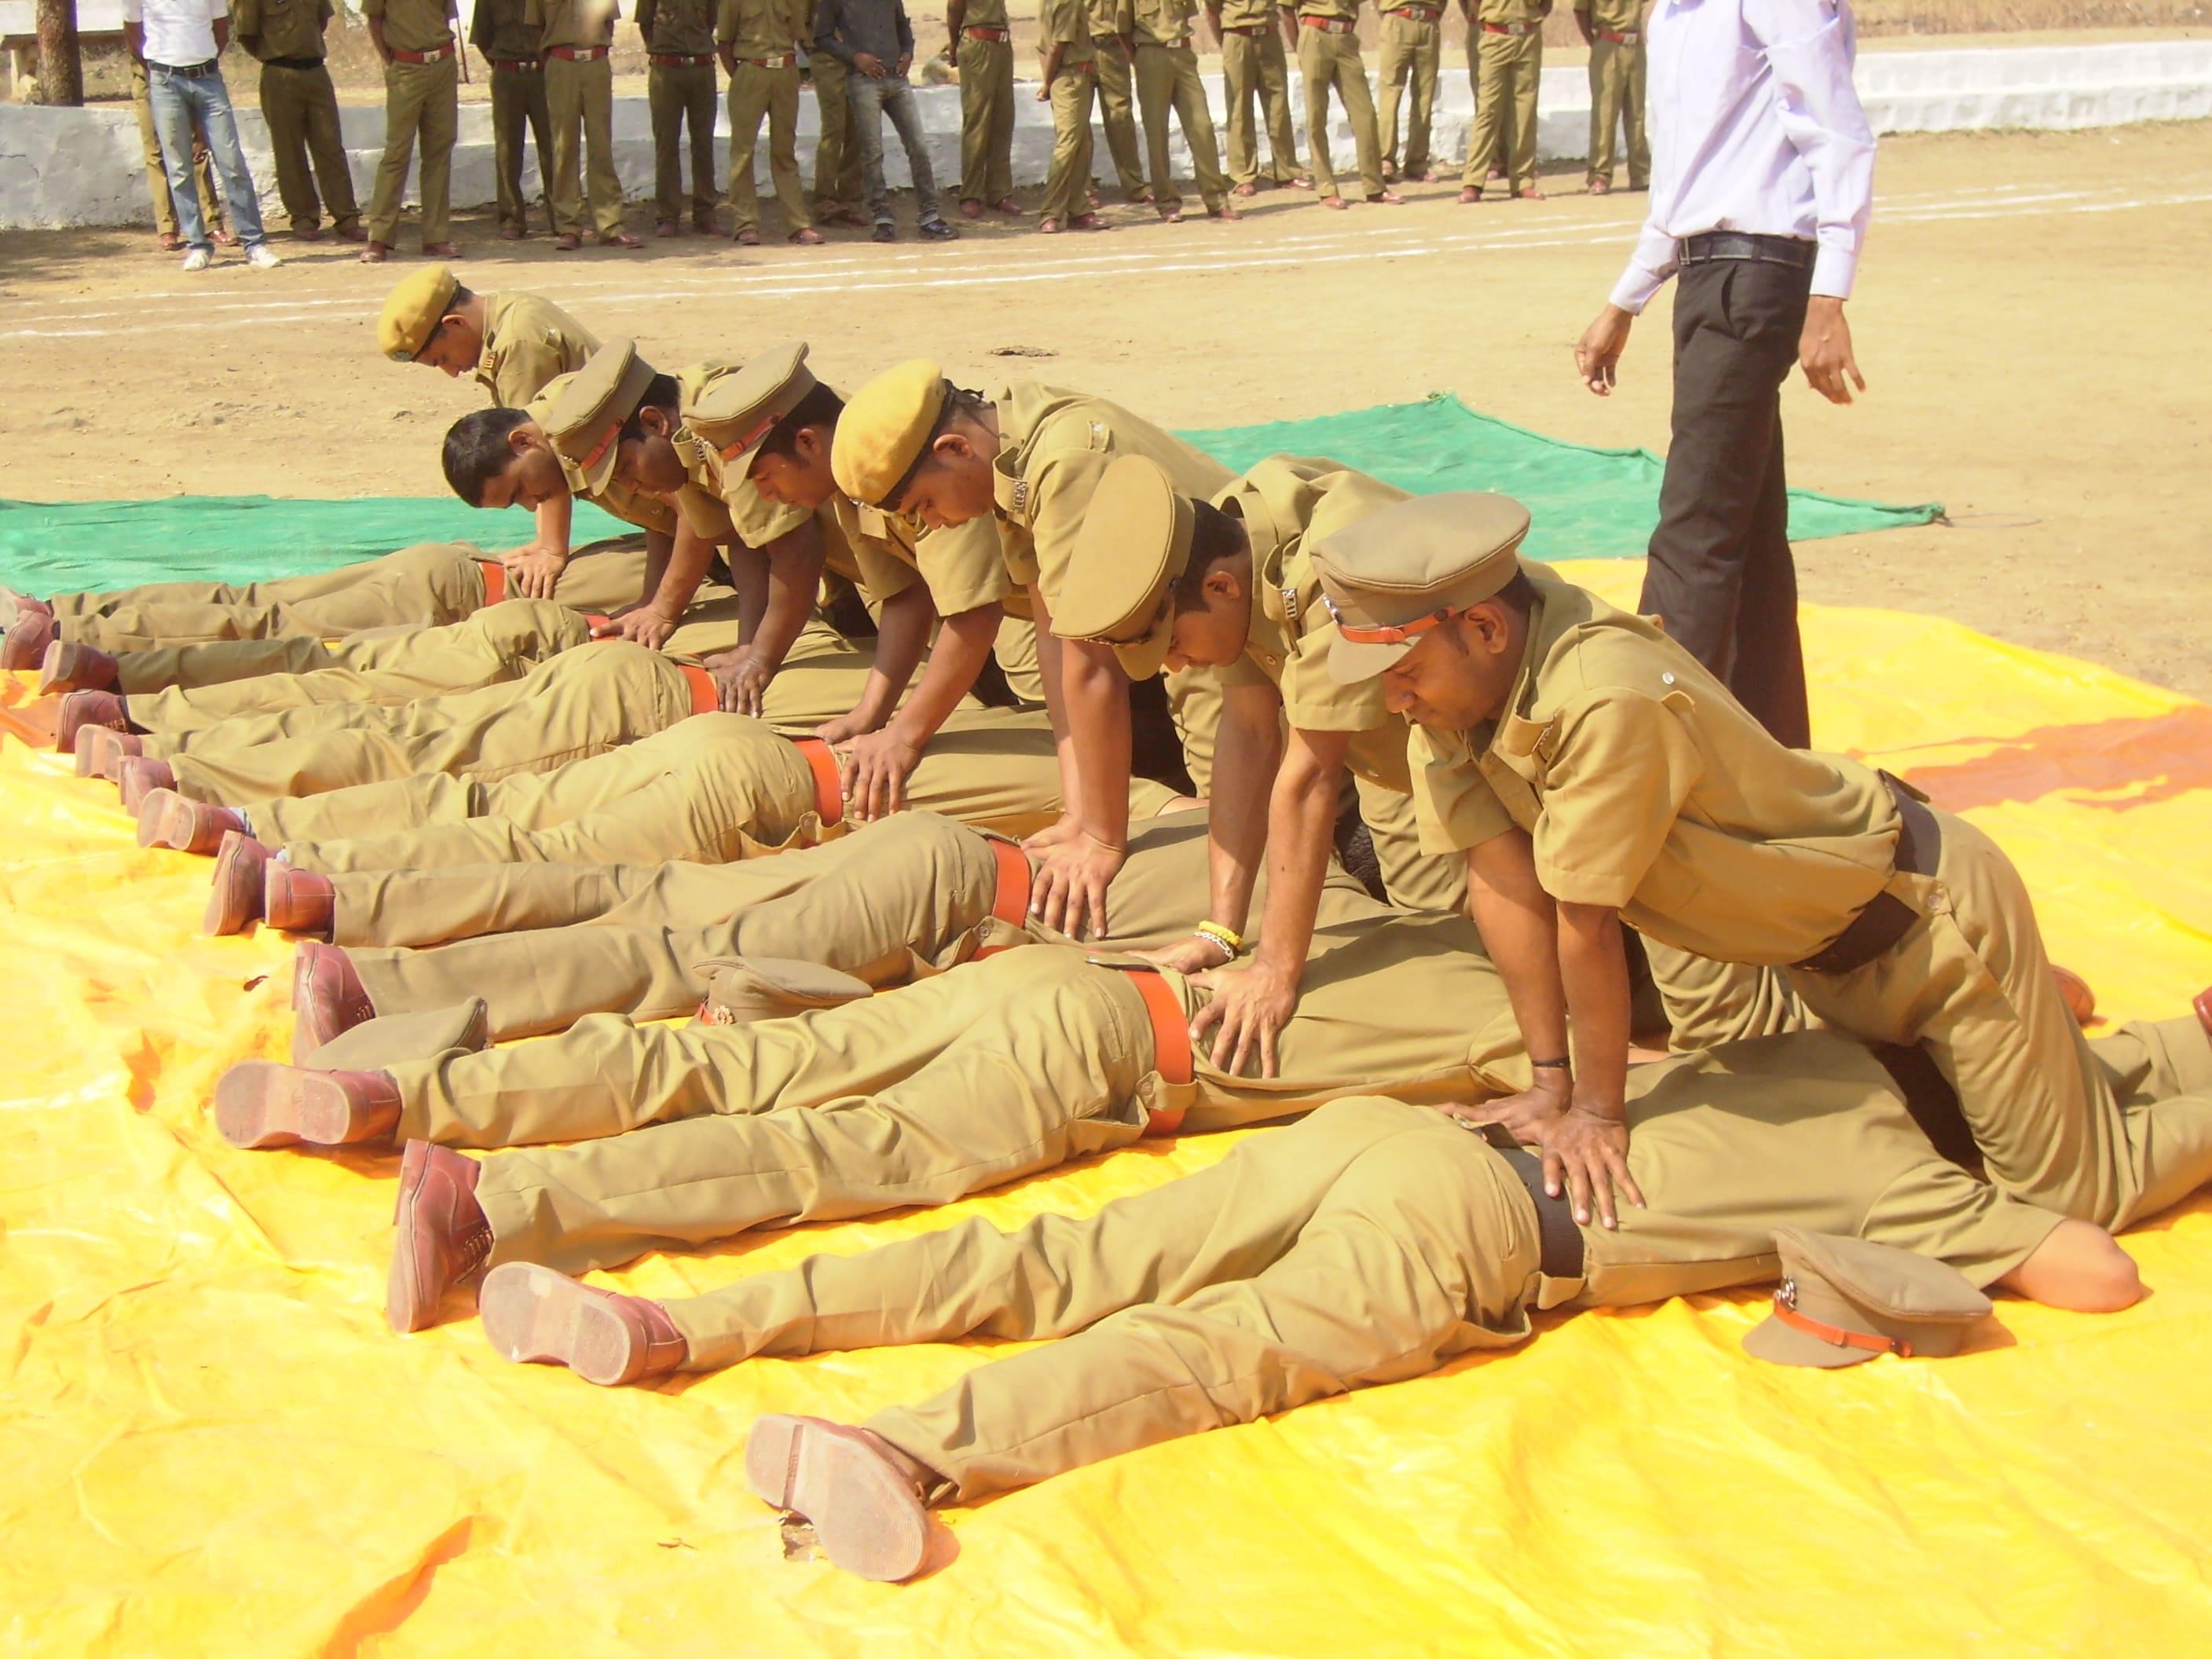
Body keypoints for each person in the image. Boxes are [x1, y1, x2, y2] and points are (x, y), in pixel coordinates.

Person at [478, 1005, 2212, 1580]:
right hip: (1473, 1235)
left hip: (1395, 1134)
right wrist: (1980, 1229)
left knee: (1055, 1255)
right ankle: (911, 1451)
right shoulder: (1916, 1173)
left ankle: (686, 1320)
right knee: (1203, 1353)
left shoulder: (1810, 1041)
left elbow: (2041, 1023)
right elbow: (2102, 1271)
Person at [1317, 493, 2203, 1240]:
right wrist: (1546, 1083)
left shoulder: (1601, 697)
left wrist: (1593, 1111)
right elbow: (1503, 882)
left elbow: (1581, 919)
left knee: (2071, 1194)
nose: (1392, 701)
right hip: (1827, 953)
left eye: (1403, 673)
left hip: (1928, 929)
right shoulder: (1469, 672)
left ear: (1479, 626)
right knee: (2008, 1115)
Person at [213, 880, 1529, 1339]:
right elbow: (1553, 1101)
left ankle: (394, 1089)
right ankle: (499, 1199)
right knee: (833, 1151)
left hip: (1069, 982)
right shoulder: (1523, 1025)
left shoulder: (1417, 925)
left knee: (732, 1066)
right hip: (1108, 1051)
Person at [1051, 454, 1470, 1075]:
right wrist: (1222, 933)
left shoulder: (1335, 572)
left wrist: (1275, 970)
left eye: (1171, 643)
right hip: (1427, 754)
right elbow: (1248, 733)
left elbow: (1309, 778)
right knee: (1442, 927)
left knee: (1520, 939)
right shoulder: (1241, 548)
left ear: (1220, 589)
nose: (1173, 666)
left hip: (1534, 765)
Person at [218, 788, 1190, 1047]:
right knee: (680, 961)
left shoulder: (1194, 815)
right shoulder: (1291, 901)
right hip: (947, 887)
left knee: (631, 895)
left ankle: (338, 896)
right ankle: (379, 983)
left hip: (934, 854)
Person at [830, 360, 1236, 934]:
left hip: (1218, 628)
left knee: (1248, 822)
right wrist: (1079, 814)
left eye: (924, 505)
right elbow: (1054, 635)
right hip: (1183, 630)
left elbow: (1091, 662)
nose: (937, 524)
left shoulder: (1063, 463)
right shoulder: (1012, 457)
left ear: (953, 448)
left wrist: (1101, 837)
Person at [1573, 0, 1873, 749]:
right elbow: (1687, 182)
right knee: (1747, 529)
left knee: (1696, 528)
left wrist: (1829, 296)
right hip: (1709, 273)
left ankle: (1653, 758)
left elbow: (1838, 133)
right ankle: (1771, 753)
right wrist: (1626, 299)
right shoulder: (1672, 16)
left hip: (1760, 267)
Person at [380, 266, 603, 589]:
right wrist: (543, 542)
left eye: (441, 358)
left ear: (454, 324)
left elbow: (543, 456)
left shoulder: (516, 345)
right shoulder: (509, 314)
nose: (451, 372)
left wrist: (552, 551)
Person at [123, 0, 284, 272]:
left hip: (208, 79)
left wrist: (202, 62)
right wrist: (160, 64)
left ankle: (254, 243)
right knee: (179, 167)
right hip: (165, 81)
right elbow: (133, 33)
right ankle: (198, 244)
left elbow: (220, 30)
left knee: (231, 162)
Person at [814, 0, 960, 242]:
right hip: (862, 80)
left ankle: (929, 215)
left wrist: (907, 53)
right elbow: (822, 37)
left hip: (898, 78)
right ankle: (882, 217)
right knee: (872, 152)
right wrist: (855, 57)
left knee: (918, 147)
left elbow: (903, 26)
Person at [233, 0, 364, 243]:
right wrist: (278, 52)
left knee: (330, 146)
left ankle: (346, 217)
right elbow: (247, 34)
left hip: (315, 71)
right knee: (289, 151)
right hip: (279, 73)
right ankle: (304, 217)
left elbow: (321, 19)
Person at [531, 0, 641, 250]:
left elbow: (608, 22)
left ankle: (610, 224)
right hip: (561, 66)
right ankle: (569, 227)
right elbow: (536, 27)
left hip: (595, 65)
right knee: (564, 146)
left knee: (600, 145)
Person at [359, 0, 461, 262]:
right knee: (397, 152)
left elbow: (445, 16)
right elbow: (374, 20)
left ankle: (436, 237)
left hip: (443, 64)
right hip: (406, 68)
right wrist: (389, 61)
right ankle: (379, 238)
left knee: (439, 152)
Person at [717, 0, 824, 245]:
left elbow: (801, 32)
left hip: (786, 71)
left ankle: (798, 224)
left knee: (785, 151)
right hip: (751, 70)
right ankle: (746, 224)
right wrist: (743, 75)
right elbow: (724, 43)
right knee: (743, 152)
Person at [1120, 0, 1236, 223]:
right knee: (1157, 132)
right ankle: (1167, 203)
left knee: (1202, 126)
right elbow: (1123, 31)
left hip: (1183, 54)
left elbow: (1188, 15)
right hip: (1151, 55)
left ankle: (1217, 200)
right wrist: (1141, 60)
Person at [1283, 0, 1397, 211]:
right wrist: (1300, 48)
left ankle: (1375, 186)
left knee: (1365, 115)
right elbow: (1287, 9)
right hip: (1315, 34)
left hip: (1346, 38)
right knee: (1317, 116)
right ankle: (1326, 187)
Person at [471, 0, 558, 239]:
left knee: (553, 147)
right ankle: (511, 218)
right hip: (507, 76)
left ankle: (562, 217)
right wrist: (505, 65)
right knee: (508, 149)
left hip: (544, 74)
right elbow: (482, 37)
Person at [639, 0, 723, 236]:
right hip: (667, 69)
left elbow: (712, 19)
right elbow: (645, 23)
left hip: (701, 67)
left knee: (703, 142)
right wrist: (663, 49)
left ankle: (705, 213)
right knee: (666, 143)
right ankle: (668, 215)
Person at [130, 51, 229, 253]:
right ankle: (167, 227)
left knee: (196, 146)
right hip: (149, 78)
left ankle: (212, 223)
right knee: (155, 152)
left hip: (185, 74)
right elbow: (133, 37)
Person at [1207, 0, 1303, 196]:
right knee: (1239, 107)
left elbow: (1286, 6)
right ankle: (1243, 176)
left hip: (1270, 36)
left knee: (1278, 104)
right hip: (1237, 36)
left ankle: (1287, 171)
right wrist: (1227, 42)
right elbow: (1212, 11)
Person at [1459, 0, 1547, 202]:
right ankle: (1473, 181)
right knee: (1488, 109)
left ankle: (1523, 181)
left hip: (1529, 36)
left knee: (1525, 111)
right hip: (1495, 35)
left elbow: (1546, 5)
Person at [1035, 0, 1108, 233]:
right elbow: (1057, 44)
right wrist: (1047, 83)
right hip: (1072, 75)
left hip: (1072, 76)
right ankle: (1051, 212)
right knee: (1068, 146)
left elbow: (1042, 46)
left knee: (1081, 145)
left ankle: (1079, 209)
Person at [947, 0, 1020, 220]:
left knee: (1003, 119)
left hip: (1002, 43)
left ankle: (999, 192)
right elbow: (954, 7)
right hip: (978, 43)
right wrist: (953, 44)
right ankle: (971, 193)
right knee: (978, 120)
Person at [804, 0, 869, 224]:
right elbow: (802, 19)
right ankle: (824, 201)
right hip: (828, 57)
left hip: (861, 58)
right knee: (834, 129)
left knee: (858, 131)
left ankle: (851, 201)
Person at [1576, 0, 1646, 194]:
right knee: (1605, 114)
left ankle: (1641, 174)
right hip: (1608, 44)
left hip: (1636, 44)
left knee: (1637, 114)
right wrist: (1595, 42)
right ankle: (1600, 175)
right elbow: (1580, 10)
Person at [1375, 0, 1442, 184]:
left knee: (1425, 94)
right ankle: (1385, 159)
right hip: (1398, 19)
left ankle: (1417, 162)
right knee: (1391, 92)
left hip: (1429, 22)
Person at [1088, 12, 1152, 203]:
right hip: (1078, 47)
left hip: (1114, 47)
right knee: (1078, 122)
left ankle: (1135, 185)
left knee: (1121, 117)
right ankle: (1082, 189)